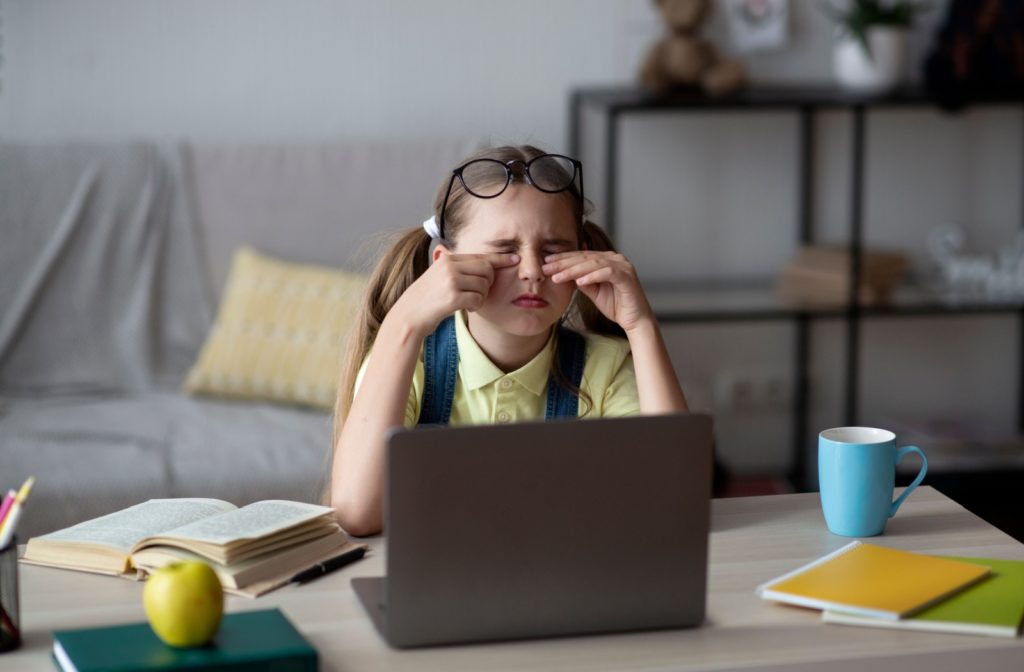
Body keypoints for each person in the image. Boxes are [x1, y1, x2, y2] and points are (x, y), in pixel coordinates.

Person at [330, 144, 688, 535]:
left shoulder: (606, 366)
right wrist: (403, 322)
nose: (533, 271)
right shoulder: (406, 363)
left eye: (553, 250)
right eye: (505, 250)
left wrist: (642, 326)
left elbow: (676, 506)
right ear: (444, 265)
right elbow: (357, 513)